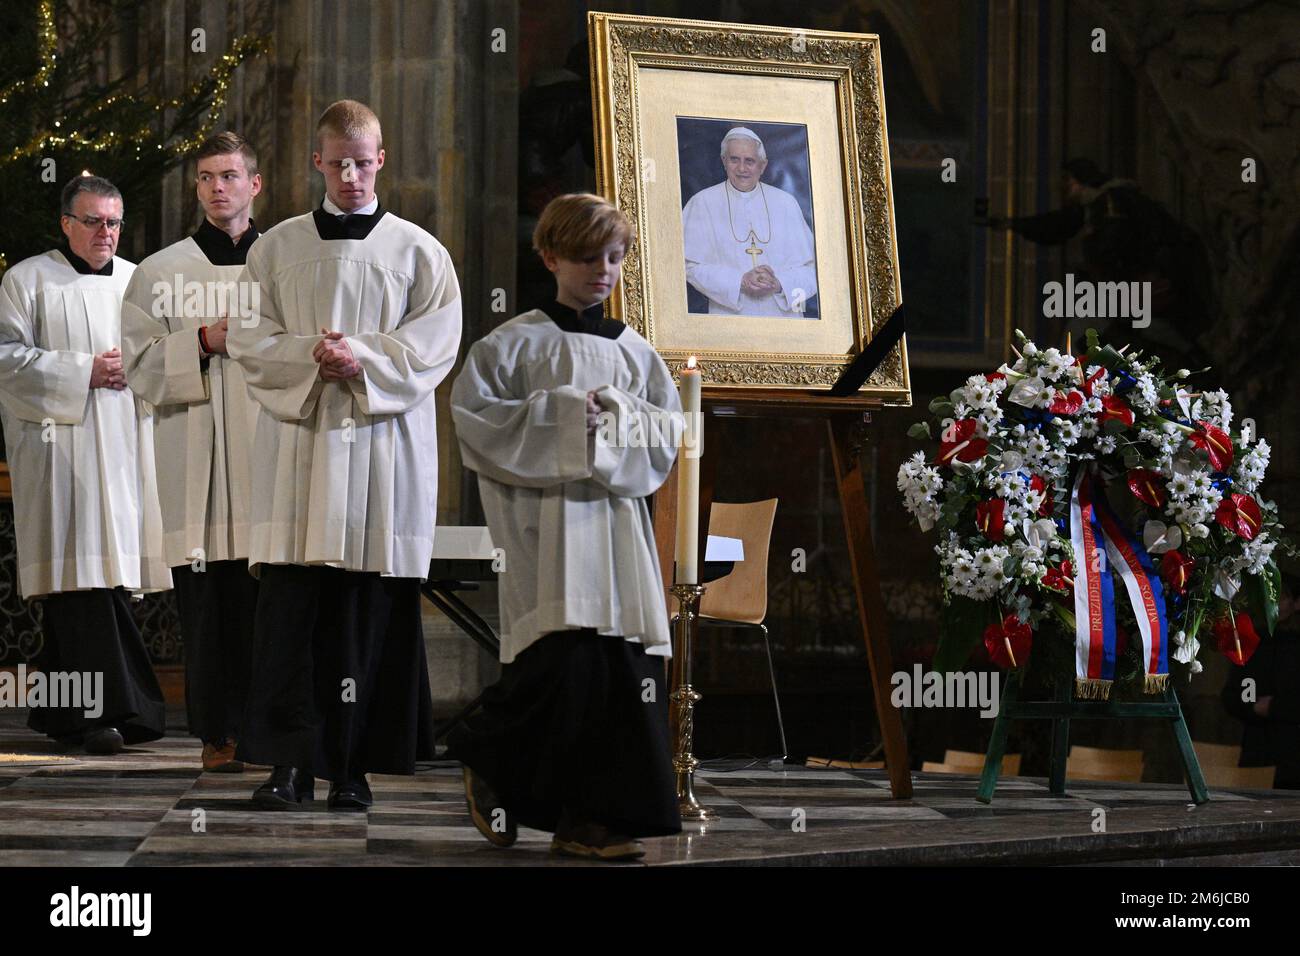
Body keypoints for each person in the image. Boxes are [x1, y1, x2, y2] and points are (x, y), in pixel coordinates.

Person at [227, 100, 463, 811]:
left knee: (361, 618)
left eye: (364, 161)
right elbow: (247, 335)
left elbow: (437, 343)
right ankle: (286, 766)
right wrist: (310, 356)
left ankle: (352, 765)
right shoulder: (277, 248)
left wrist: (357, 356)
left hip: (377, 457)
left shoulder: (419, 251)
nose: (353, 175)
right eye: (339, 163)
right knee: (290, 620)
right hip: (298, 452)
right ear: (317, 163)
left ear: (382, 159)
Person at [449, 192, 683, 860]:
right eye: (586, 257)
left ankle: (590, 823)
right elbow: (476, 421)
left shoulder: (638, 353)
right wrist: (558, 416)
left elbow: (666, 435)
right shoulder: (512, 343)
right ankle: (484, 751)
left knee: (619, 670)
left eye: (613, 257)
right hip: (546, 530)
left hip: (615, 529)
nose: (602, 271)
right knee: (561, 662)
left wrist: (615, 415)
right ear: (550, 256)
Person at [0, 175, 170, 752]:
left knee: (105, 580)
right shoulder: (26, 280)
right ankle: (125, 710)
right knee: (82, 580)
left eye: (115, 222)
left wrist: (139, 368)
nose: (106, 233)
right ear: (66, 223)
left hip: (124, 449)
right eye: (93, 221)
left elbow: (164, 359)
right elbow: (6, 360)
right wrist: (84, 372)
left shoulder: (138, 282)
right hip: (60, 454)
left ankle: (69, 716)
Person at [121, 132, 264, 773]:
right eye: (206, 177)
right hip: (195, 455)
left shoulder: (286, 263)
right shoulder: (160, 272)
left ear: (254, 184)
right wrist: (202, 339)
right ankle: (217, 734)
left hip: (268, 455)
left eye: (229, 176)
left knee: (270, 604)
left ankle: (272, 731)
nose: (216, 188)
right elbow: (140, 366)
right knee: (207, 607)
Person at [682, 126, 817, 317]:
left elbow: (814, 269)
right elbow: (689, 266)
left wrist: (779, 283)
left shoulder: (785, 203)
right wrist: (739, 281)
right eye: (734, 159)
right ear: (724, 161)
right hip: (728, 320)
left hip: (783, 321)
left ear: (762, 166)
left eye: (750, 161)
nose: (742, 168)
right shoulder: (702, 203)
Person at [1221, 580, 1300, 789]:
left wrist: (1275, 707)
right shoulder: (1253, 644)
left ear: (1295, 603)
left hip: (1293, 758)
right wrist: (1252, 706)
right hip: (1257, 756)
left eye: (1281, 598)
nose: (1274, 604)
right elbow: (1235, 693)